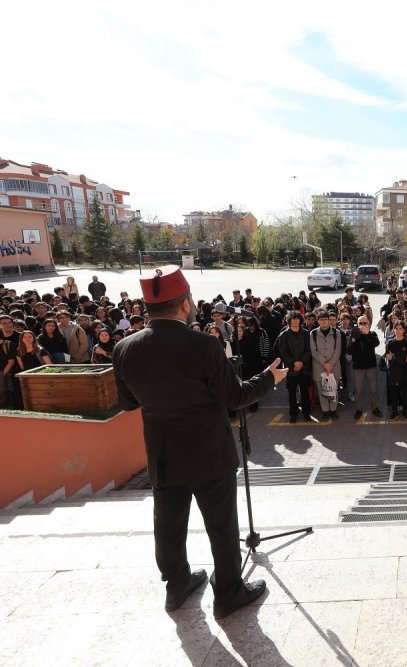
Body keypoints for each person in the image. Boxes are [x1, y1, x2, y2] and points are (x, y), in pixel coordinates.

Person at [112, 265, 287, 620]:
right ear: (184, 304)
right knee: (221, 527)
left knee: (168, 525)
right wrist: (268, 378)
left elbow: (129, 403)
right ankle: (228, 593)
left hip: (163, 453)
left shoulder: (124, 348)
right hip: (209, 453)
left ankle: (176, 586)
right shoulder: (204, 345)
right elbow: (235, 397)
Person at [276, 312, 314, 423]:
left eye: (297, 319)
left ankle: (306, 414)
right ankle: (293, 414)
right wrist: (293, 363)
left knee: (305, 393)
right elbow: (283, 352)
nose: (295, 321)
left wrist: (301, 362)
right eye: (292, 319)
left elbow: (309, 350)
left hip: (304, 369)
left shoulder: (306, 333)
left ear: (300, 320)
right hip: (291, 370)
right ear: (289, 321)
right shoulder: (283, 335)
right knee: (292, 394)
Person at [310, 310, 343, 420]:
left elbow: (338, 350)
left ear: (329, 320)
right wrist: (325, 364)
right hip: (319, 367)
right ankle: (325, 410)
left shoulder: (337, 333)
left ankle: (333, 410)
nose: (324, 321)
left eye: (326, 319)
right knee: (321, 390)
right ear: (318, 321)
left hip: (334, 367)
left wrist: (330, 364)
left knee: (334, 389)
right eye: (321, 319)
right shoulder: (313, 333)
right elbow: (313, 351)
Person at [349, 315, 382, 420]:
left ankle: (375, 408)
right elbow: (349, 351)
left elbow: (377, 343)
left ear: (368, 324)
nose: (363, 325)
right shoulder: (353, 334)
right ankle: (359, 409)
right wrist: (353, 339)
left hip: (370, 366)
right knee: (358, 390)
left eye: (365, 323)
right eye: (360, 323)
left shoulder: (372, 334)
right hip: (358, 367)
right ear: (357, 324)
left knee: (373, 389)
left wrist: (368, 334)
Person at [384, 321, 407, 420]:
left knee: (405, 392)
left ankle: (405, 412)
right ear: (393, 330)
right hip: (393, 371)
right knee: (393, 392)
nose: (398, 331)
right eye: (396, 328)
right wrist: (401, 357)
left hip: (405, 371)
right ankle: (394, 412)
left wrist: (395, 356)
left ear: (404, 330)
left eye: (400, 328)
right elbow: (388, 357)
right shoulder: (390, 342)